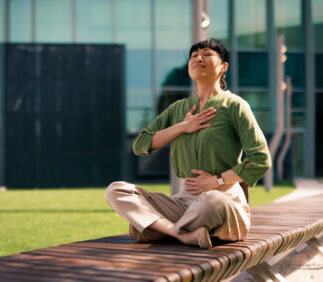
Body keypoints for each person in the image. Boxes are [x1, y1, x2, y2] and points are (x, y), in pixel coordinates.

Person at [105, 38, 271, 248]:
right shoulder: (179, 109)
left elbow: (260, 160)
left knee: (211, 201)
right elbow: (140, 144)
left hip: (223, 201)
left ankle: (159, 227)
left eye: (207, 54)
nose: (198, 58)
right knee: (116, 190)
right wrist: (181, 127)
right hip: (184, 202)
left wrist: (216, 181)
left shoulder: (235, 105)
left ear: (223, 66)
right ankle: (180, 233)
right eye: (194, 55)